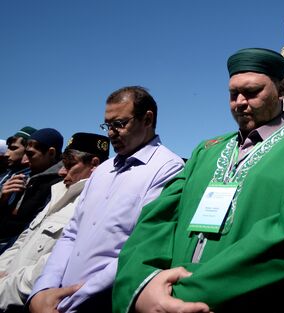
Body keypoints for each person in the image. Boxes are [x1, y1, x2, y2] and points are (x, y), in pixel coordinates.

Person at [113, 48, 284, 313]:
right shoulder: (207, 150)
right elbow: (157, 221)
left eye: (252, 91)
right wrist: (143, 286)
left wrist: (181, 295)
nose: (240, 102)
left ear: (281, 89)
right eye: (233, 94)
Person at [29, 86, 184, 313]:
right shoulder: (102, 171)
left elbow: (138, 248)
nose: (111, 133)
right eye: (108, 125)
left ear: (147, 119)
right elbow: (72, 233)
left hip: (100, 303)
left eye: (119, 124)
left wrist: (70, 302)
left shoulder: (167, 168)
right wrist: (43, 289)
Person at [0, 132, 110, 312]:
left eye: (70, 165)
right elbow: (23, 240)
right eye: (62, 163)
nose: (61, 171)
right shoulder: (59, 192)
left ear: (94, 165)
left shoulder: (95, 205)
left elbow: (53, 266)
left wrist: (4, 287)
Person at [0, 128, 63, 253]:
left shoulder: (57, 184)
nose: (25, 159)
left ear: (51, 153)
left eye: (30, 154)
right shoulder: (26, 177)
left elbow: (30, 231)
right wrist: (3, 198)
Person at [0, 127, 37, 192]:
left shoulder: (30, 180)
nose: (6, 154)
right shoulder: (7, 174)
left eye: (13, 148)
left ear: (28, 150)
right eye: (8, 148)